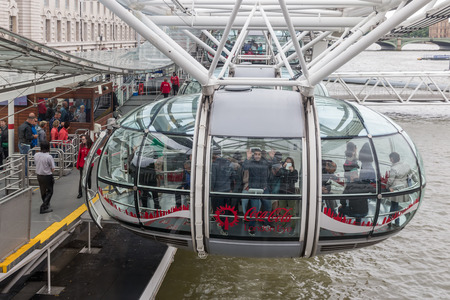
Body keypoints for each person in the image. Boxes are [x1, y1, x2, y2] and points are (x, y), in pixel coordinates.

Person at [242, 147, 271, 235]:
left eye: (259, 154)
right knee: (254, 209)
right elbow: (244, 167)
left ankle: (265, 224)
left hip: (264, 188)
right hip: (254, 189)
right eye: (256, 154)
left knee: (268, 207)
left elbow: (271, 165)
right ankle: (251, 227)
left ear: (261, 155)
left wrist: (271, 157)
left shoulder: (265, 162)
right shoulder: (250, 162)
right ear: (253, 155)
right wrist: (247, 158)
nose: (257, 156)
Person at [386, 152, 416, 225]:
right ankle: (391, 220)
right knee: (395, 204)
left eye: (390, 158)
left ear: (392, 159)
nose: (390, 160)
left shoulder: (394, 168)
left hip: (395, 187)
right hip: (403, 187)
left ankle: (394, 221)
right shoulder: (406, 165)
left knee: (394, 204)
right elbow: (412, 174)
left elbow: (390, 180)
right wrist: (417, 181)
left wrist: (386, 187)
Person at [210, 148, 233, 236]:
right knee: (226, 210)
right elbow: (232, 176)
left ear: (214, 155)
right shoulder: (228, 163)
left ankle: (222, 226)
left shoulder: (214, 164)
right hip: (227, 190)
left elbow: (213, 178)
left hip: (218, 191)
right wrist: (230, 187)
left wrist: (212, 188)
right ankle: (224, 227)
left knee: (219, 210)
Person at [276, 157, 299, 232]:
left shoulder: (295, 171)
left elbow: (295, 180)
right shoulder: (282, 170)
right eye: (287, 162)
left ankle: (292, 227)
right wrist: (283, 168)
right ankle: (283, 225)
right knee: (282, 211)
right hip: (282, 192)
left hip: (291, 192)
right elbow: (277, 175)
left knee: (292, 211)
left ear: (292, 164)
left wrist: (292, 171)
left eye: (290, 162)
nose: (288, 164)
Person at [34, 141, 55, 214]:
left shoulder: (36, 155)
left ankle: (46, 204)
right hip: (47, 176)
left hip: (39, 175)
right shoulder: (49, 156)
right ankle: (43, 206)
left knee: (43, 191)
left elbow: (35, 163)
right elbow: (53, 168)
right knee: (50, 191)